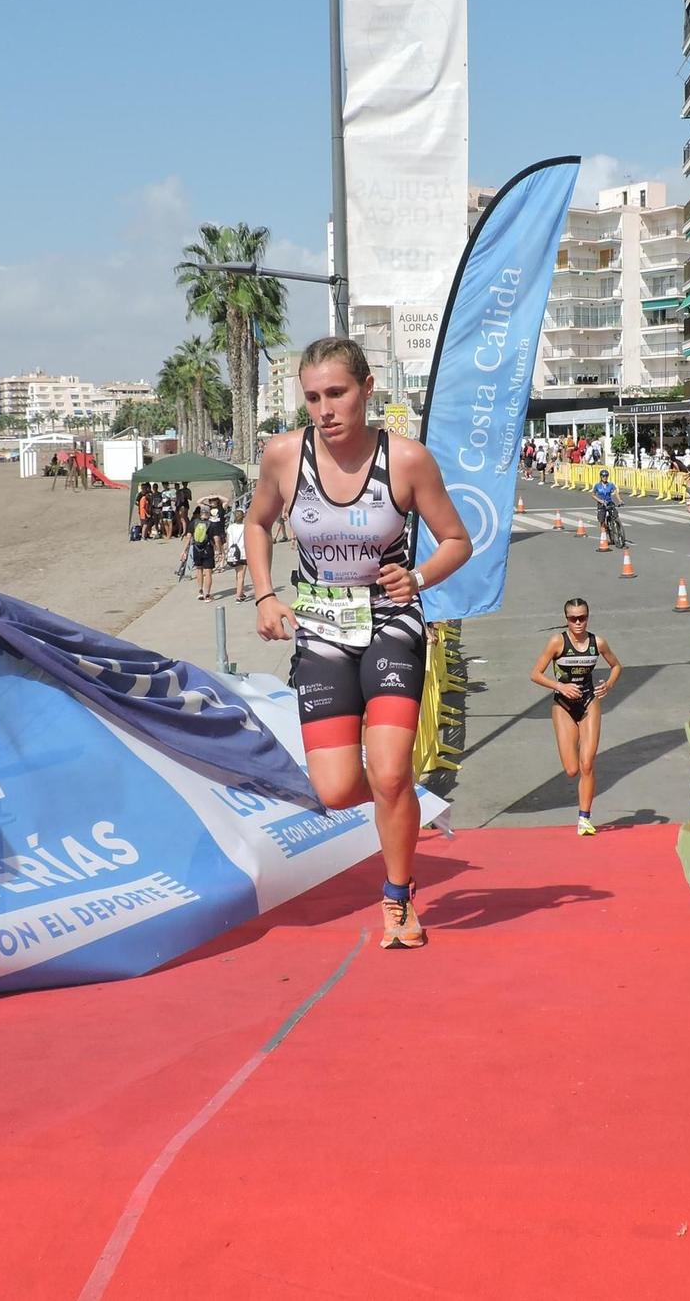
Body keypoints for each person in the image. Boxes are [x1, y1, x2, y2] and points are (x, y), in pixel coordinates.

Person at [245, 336, 471, 950]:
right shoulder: (284, 457)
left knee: (392, 771)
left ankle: (397, 899)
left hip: (391, 623)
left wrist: (418, 576)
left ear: (367, 390)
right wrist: (266, 595)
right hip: (320, 631)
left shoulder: (407, 461)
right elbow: (257, 521)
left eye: (337, 393)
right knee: (338, 788)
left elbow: (456, 539)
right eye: (313, 396)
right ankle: (398, 799)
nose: (324, 409)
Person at [530, 598, 621, 836]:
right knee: (571, 769)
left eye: (582, 618)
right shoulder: (557, 642)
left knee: (588, 763)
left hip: (589, 702)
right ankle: (574, 748)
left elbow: (616, 665)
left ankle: (584, 818)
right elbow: (535, 674)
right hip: (563, 706)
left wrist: (608, 684)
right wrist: (560, 687)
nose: (578, 623)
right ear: (566, 619)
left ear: (588, 617)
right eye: (573, 618)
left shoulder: (597, 642)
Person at [591, 468, 626, 546]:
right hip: (601, 504)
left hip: (609, 503)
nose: (605, 477)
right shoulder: (597, 486)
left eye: (606, 476)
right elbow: (593, 495)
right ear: (601, 477)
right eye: (603, 476)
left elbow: (616, 492)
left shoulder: (610, 485)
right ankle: (605, 535)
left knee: (615, 515)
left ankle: (617, 526)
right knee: (602, 521)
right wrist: (600, 501)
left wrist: (620, 500)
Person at [189, 506, 216, 599]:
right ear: (208, 514)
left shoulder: (194, 522)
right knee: (208, 571)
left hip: (196, 548)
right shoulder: (211, 524)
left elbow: (188, 536)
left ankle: (200, 591)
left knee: (199, 569)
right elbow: (215, 538)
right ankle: (207, 594)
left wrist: (184, 550)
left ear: (201, 513)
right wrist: (219, 550)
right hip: (207, 549)